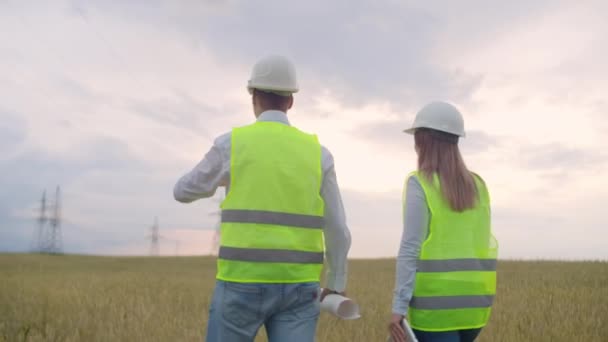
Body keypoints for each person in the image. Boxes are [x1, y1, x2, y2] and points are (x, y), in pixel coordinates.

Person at [173, 55, 351, 342]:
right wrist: (336, 282)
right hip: (300, 287)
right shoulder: (319, 154)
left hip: (240, 282)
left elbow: (182, 191)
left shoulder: (231, 144)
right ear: (290, 101)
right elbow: (338, 228)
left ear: (253, 96)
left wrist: (222, 177)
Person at [388, 102, 498, 342]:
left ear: (423, 141)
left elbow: (410, 249)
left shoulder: (420, 184)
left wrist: (398, 308)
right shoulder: (479, 185)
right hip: (475, 305)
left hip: (435, 308)